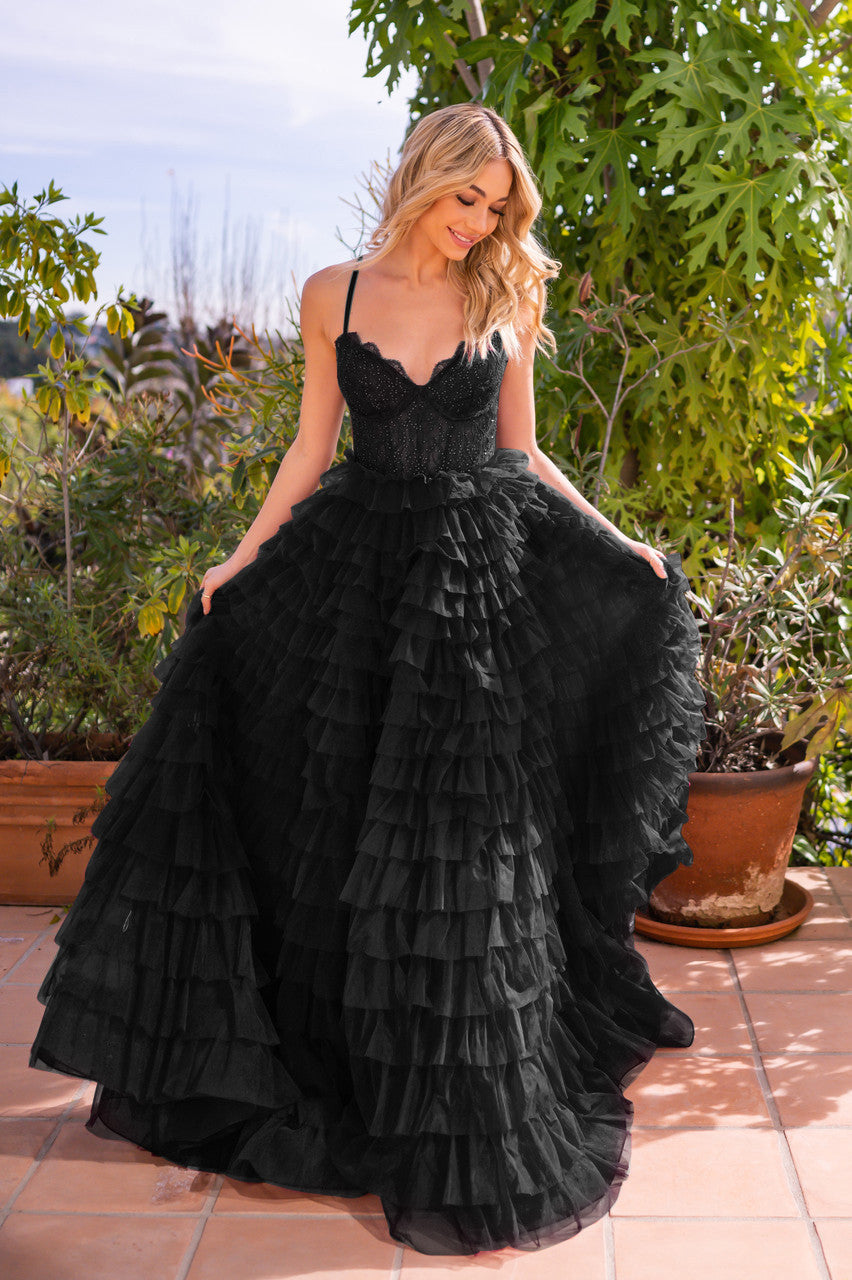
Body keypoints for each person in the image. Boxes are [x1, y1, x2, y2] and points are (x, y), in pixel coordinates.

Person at [29, 101, 707, 1257]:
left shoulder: (507, 291)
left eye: (496, 208)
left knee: (464, 838)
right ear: (422, 179)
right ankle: (350, 1055)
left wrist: (616, 538)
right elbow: (311, 443)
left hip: (477, 591)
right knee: (338, 823)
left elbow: (522, 451)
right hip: (354, 581)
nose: (479, 223)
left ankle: (463, 1073)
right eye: (466, 199)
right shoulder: (330, 293)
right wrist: (240, 557)